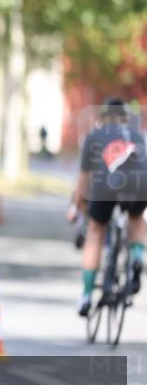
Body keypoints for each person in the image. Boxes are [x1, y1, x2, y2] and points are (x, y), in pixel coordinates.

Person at [68, 97, 147, 316]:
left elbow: (83, 181)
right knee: (136, 220)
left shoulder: (94, 136)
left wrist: (76, 207)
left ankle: (85, 296)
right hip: (140, 185)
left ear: (104, 117)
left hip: (107, 186)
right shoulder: (137, 135)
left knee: (96, 230)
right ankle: (137, 258)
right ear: (125, 118)